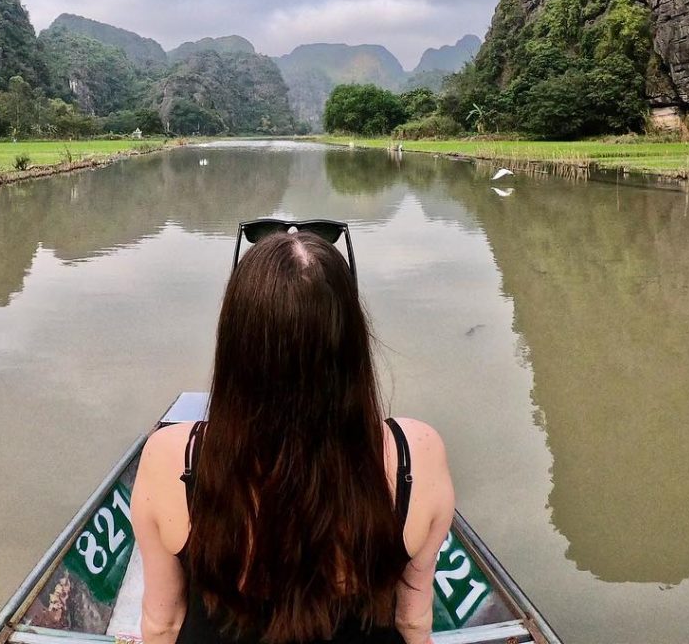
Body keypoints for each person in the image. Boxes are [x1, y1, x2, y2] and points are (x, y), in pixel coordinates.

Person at [130, 230, 455, 644]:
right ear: (352, 343)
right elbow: (413, 621)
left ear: (235, 344)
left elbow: (163, 624)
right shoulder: (417, 453)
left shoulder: (169, 456)